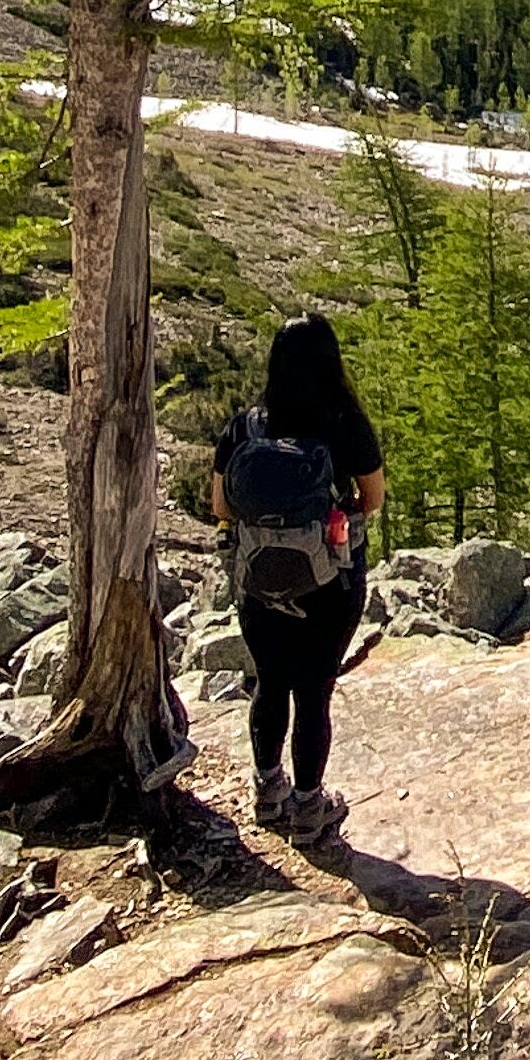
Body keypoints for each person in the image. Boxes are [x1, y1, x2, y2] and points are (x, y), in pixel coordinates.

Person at [212, 313, 386, 838]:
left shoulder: (246, 426)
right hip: (329, 581)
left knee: (269, 683)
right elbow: (372, 499)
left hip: (258, 580)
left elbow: (220, 506)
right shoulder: (343, 422)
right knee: (314, 691)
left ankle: (268, 792)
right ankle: (310, 807)